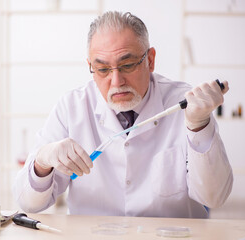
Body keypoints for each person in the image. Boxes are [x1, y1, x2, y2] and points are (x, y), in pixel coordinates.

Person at [13, 11, 233, 218]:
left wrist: (199, 125)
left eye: (127, 65)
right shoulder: (72, 107)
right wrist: (43, 161)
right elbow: (29, 203)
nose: (116, 82)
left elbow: (215, 197)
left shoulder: (186, 105)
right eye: (102, 70)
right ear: (90, 66)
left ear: (150, 60)